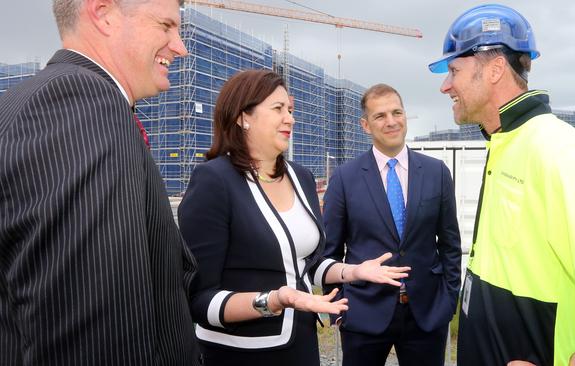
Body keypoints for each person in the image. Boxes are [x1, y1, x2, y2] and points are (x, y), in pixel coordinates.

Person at [429, 4, 575, 366]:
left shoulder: (555, 148)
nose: (445, 85)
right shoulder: (504, 142)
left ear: (495, 68)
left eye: (454, 70)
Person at [0, 0, 200, 365]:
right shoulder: (85, 105)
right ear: (103, 13)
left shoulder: (29, 102)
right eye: (166, 26)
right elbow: (97, 337)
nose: (180, 47)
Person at [177, 69, 410, 366]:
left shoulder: (301, 177)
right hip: (240, 354)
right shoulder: (214, 181)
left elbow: (305, 266)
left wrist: (353, 271)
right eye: (278, 109)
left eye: (290, 109)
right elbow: (199, 300)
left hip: (300, 345)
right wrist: (273, 300)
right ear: (242, 117)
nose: (290, 118)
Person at [322, 83, 462, 366]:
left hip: (427, 315)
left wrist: (447, 303)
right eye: (380, 116)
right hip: (363, 315)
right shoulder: (345, 178)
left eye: (397, 112)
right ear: (365, 125)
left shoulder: (436, 173)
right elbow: (329, 252)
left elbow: (450, 245)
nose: (391, 121)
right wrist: (338, 310)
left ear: (406, 116)